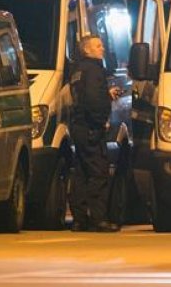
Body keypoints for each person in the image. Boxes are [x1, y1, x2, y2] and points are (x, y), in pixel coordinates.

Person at [68, 35, 121, 233]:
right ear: (87, 50)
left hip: (79, 126)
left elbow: (83, 96)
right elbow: (91, 99)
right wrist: (101, 121)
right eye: (98, 46)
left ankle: (79, 219)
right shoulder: (94, 70)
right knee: (99, 172)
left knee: (81, 173)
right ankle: (98, 219)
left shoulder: (78, 70)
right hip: (91, 128)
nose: (103, 48)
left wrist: (106, 95)